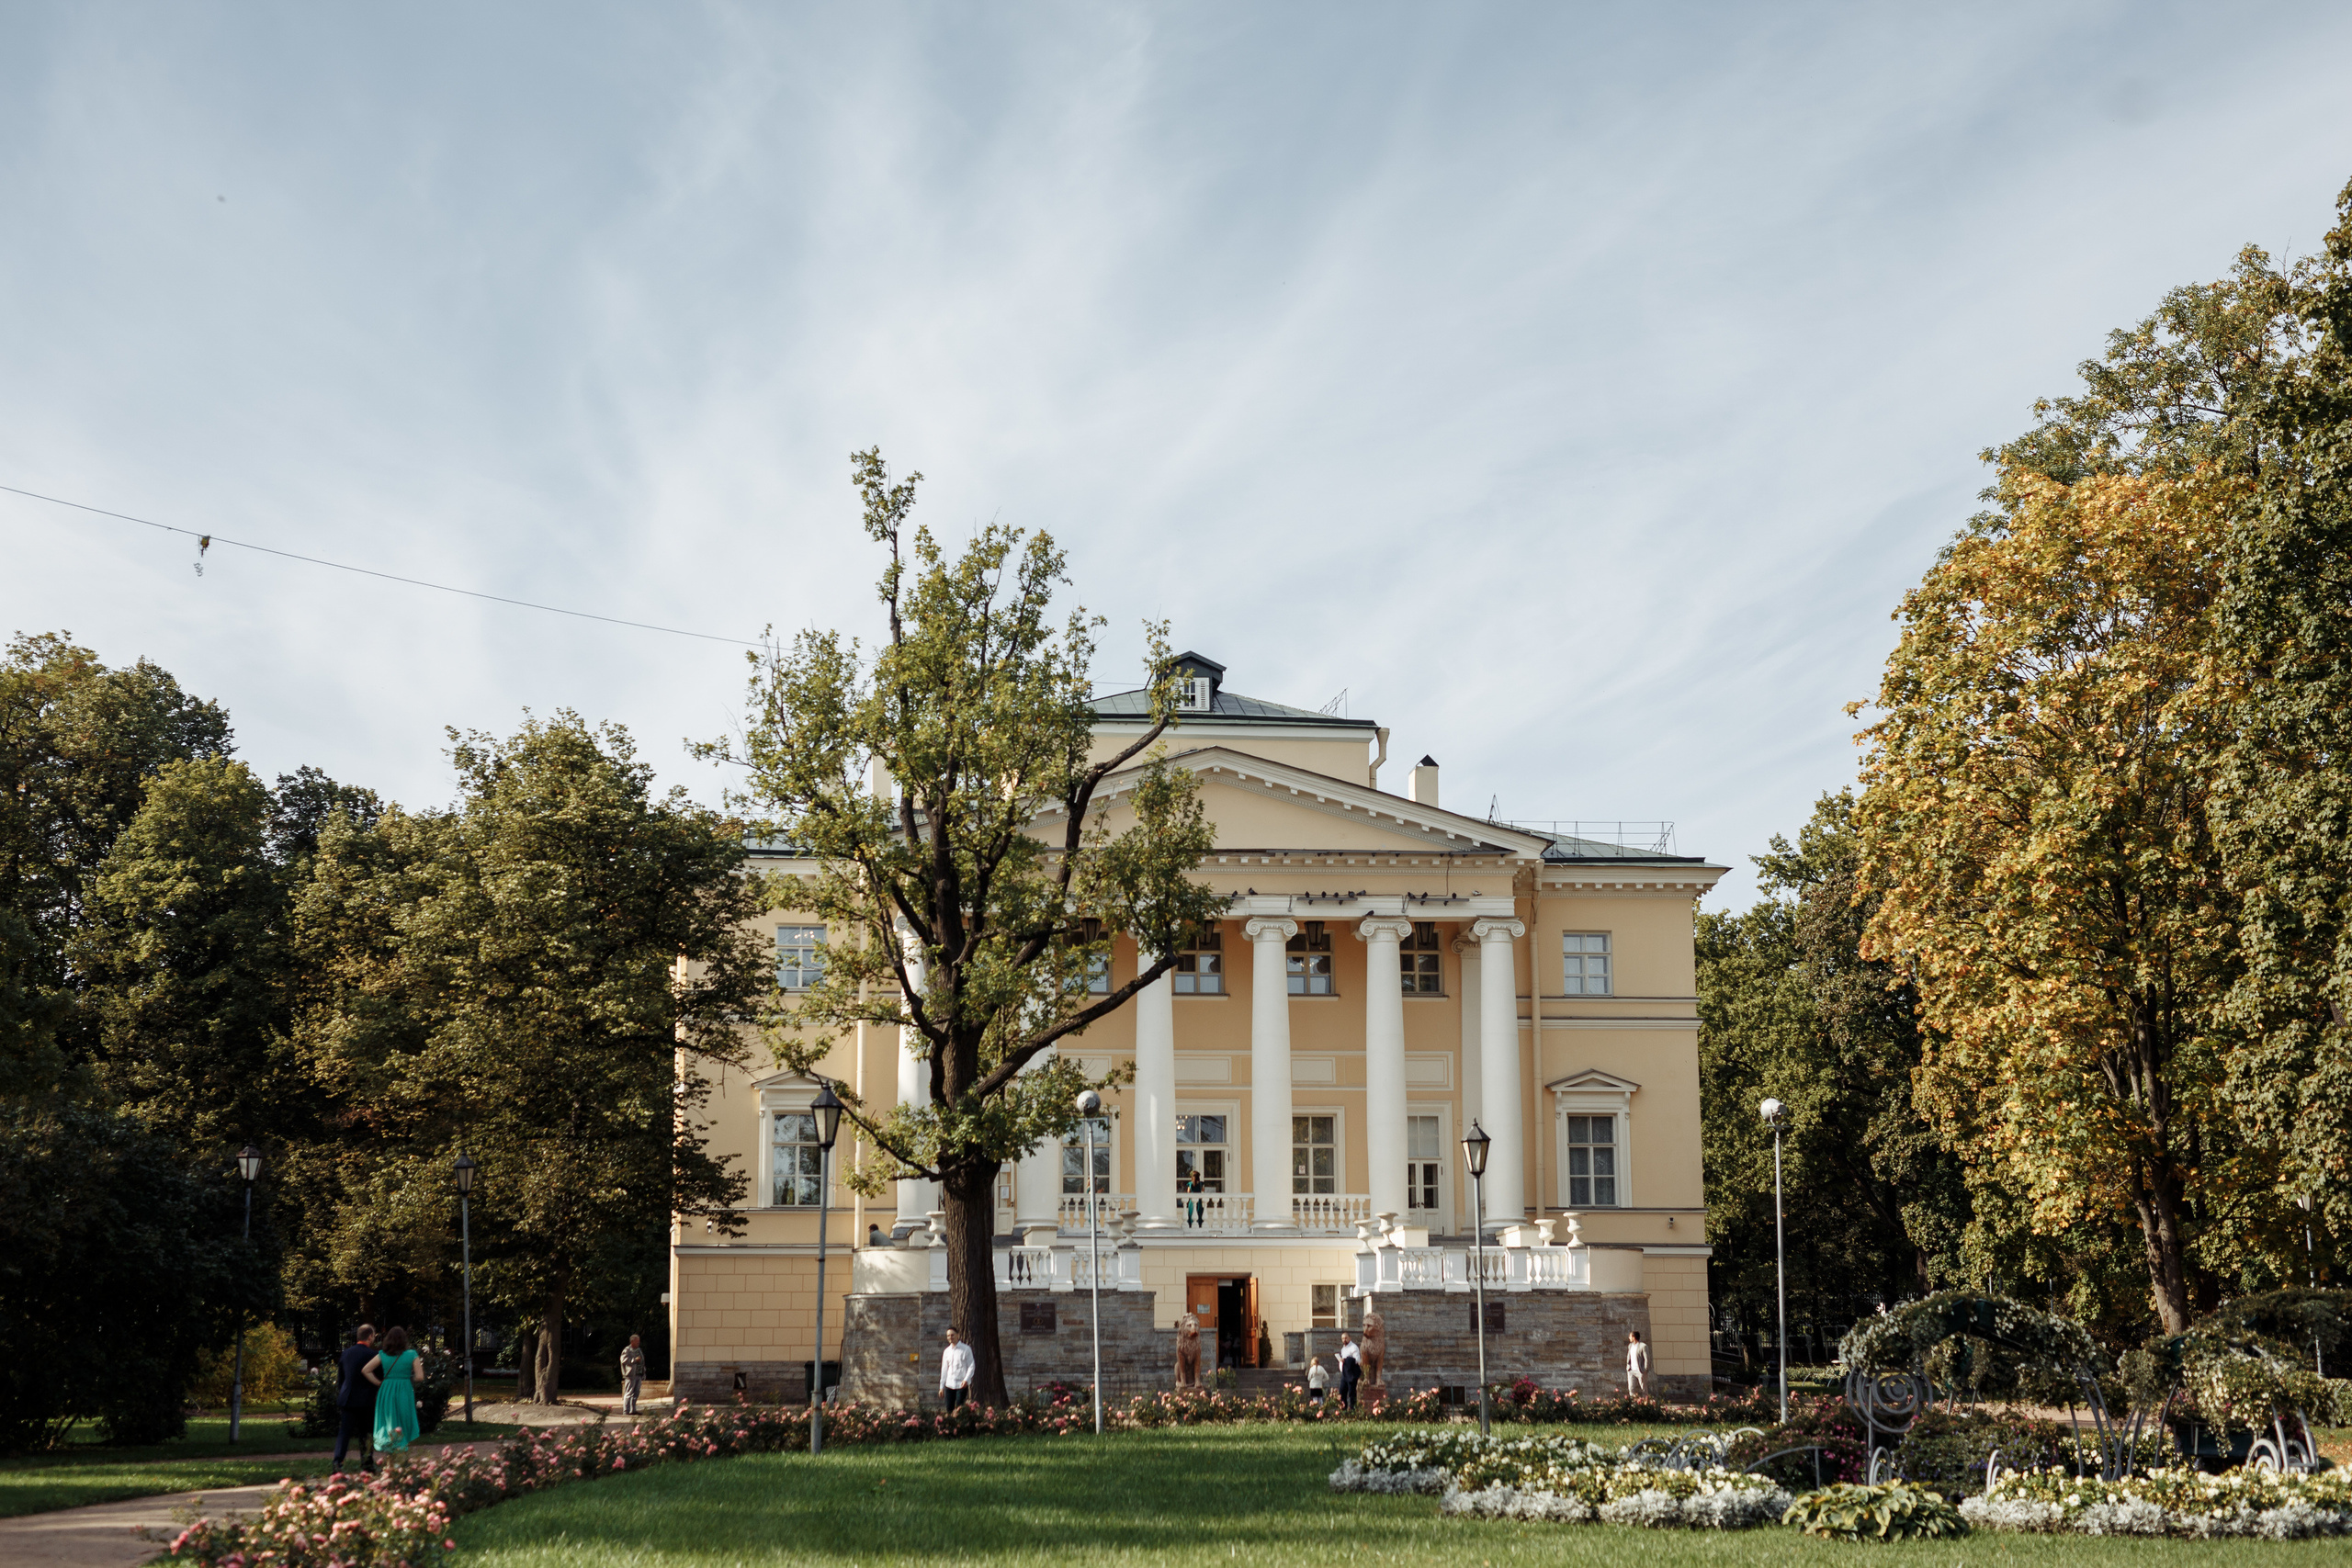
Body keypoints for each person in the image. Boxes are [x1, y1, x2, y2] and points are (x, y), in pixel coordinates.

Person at [368, 1326, 424, 1456]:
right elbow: (420, 1377)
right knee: (403, 1418)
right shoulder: (412, 1354)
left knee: (389, 1420)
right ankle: (401, 1452)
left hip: (386, 1389)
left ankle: (391, 1452)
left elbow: (366, 1370)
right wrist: (408, 1378)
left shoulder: (382, 1355)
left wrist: (378, 1382)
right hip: (404, 1389)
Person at [332, 1324, 379, 1472]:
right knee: (366, 1433)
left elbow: (341, 1378)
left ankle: (337, 1463)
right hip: (367, 1400)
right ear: (370, 1336)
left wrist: (342, 1392)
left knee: (344, 1433)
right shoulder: (373, 1355)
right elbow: (378, 1377)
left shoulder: (346, 1353)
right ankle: (367, 1463)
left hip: (348, 1398)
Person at [938, 1326, 975, 1411]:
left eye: (952, 1335)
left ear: (958, 1335)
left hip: (961, 1385)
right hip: (949, 1385)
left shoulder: (966, 1349)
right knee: (949, 1409)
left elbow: (971, 1366)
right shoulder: (947, 1351)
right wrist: (941, 1387)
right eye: (948, 1336)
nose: (950, 1337)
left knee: (960, 1409)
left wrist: (966, 1380)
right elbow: (944, 1369)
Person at [620, 1335, 647, 1416]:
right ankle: (626, 1410)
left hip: (639, 1374)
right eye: (637, 1341)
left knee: (636, 1393)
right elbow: (623, 1360)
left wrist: (643, 1371)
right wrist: (634, 1360)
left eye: (639, 1341)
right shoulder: (627, 1350)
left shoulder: (639, 1350)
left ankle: (633, 1410)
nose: (638, 1342)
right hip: (631, 1375)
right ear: (632, 1342)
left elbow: (642, 1361)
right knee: (629, 1393)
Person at [1337, 1332, 1362, 1410]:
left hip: (1351, 1373)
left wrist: (1346, 1360)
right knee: (1342, 1391)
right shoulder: (1343, 1349)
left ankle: (1352, 1409)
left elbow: (1357, 1360)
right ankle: (1343, 1408)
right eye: (1343, 1338)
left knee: (1351, 1392)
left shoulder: (1353, 1347)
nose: (1344, 1340)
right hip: (1344, 1373)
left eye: (1346, 1338)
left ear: (1349, 1338)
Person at [1626, 1329, 1651, 1399]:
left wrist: (1645, 1369)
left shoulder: (1643, 1346)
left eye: (1630, 1336)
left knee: (1644, 1389)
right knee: (1631, 1388)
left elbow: (1647, 1358)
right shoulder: (1630, 1346)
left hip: (1640, 1370)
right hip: (1631, 1370)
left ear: (1634, 1337)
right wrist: (1628, 1367)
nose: (1629, 1338)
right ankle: (1633, 1402)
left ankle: (1645, 1402)